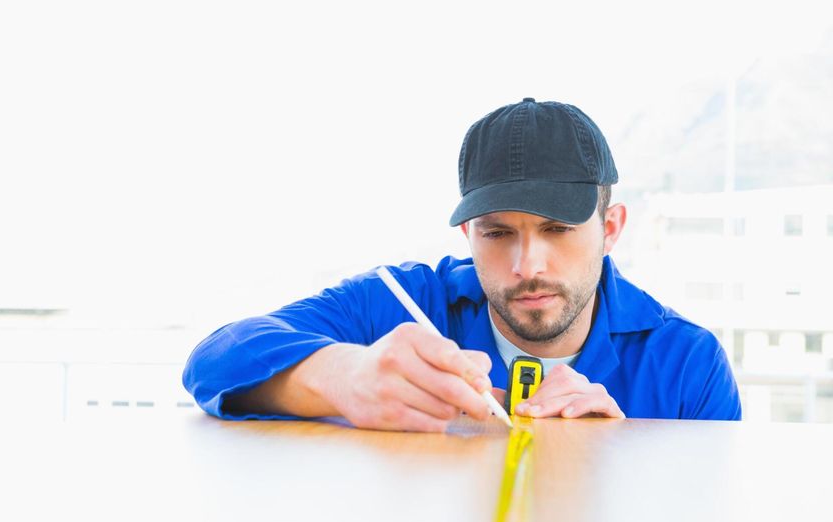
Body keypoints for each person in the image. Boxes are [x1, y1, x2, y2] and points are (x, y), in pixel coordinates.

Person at [182, 97, 742, 431]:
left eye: (558, 229)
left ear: (612, 228)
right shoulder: (398, 305)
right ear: (468, 234)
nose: (528, 265)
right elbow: (211, 362)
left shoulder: (687, 362)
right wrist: (345, 377)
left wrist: (618, 460)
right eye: (499, 233)